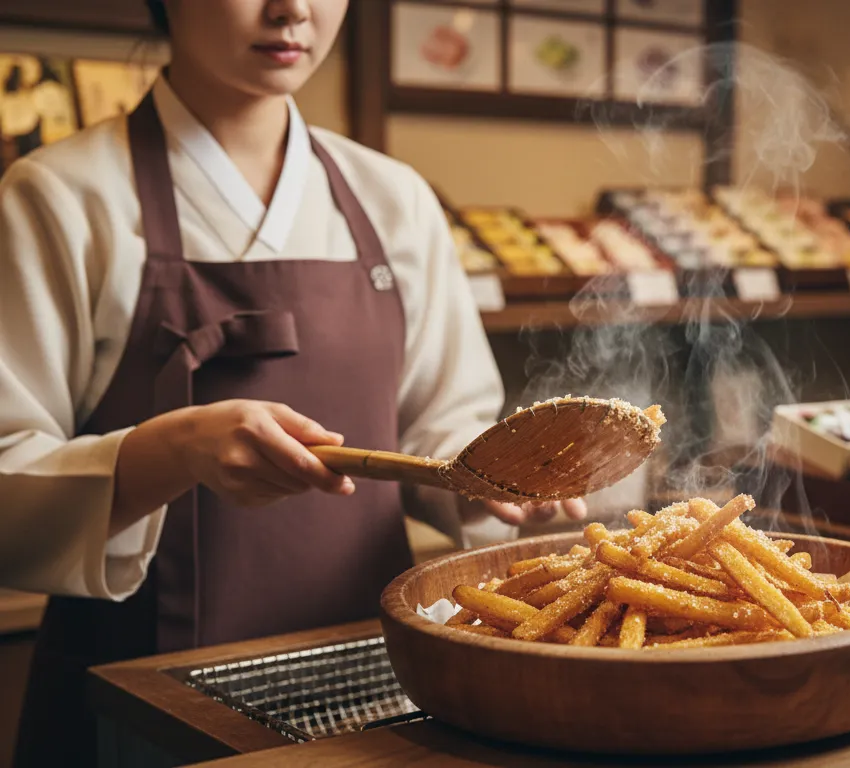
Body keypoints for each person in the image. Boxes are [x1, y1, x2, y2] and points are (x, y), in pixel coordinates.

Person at [0, 2, 586, 764]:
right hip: (136, 702)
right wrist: (170, 450)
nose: (294, 9)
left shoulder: (393, 198)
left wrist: (492, 478)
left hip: (369, 687)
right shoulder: (58, 197)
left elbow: (439, 424)